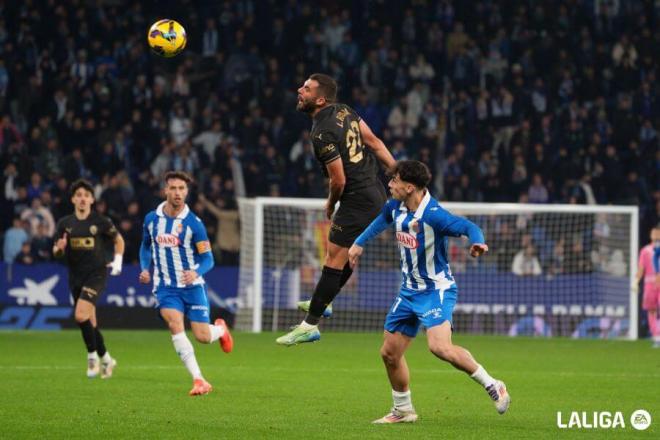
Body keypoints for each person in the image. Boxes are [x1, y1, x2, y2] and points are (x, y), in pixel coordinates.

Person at [347, 160, 510, 423]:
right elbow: (381, 221)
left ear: (410, 187)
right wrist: (358, 243)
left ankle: (493, 384)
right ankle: (403, 410)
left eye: (394, 181)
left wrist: (478, 241)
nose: (389, 184)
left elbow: (467, 226)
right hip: (408, 291)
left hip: (436, 290)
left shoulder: (433, 215)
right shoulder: (395, 207)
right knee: (389, 353)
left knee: (439, 347)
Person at [276, 73, 396, 345]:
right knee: (344, 256)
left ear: (320, 99)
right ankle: (323, 301)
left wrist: (330, 204)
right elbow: (374, 142)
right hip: (374, 190)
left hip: (356, 199)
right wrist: (397, 172)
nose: (299, 90)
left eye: (305, 89)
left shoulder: (321, 132)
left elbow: (338, 179)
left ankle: (310, 325)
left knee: (333, 260)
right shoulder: (345, 110)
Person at [138, 171, 233, 396]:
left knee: (202, 336)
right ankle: (199, 380)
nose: (177, 193)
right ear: (166, 191)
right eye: (173, 188)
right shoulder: (152, 219)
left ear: (187, 192)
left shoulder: (194, 224)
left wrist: (195, 272)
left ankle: (220, 329)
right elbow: (145, 246)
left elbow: (208, 259)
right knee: (175, 325)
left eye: (181, 189)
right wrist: (144, 268)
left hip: (192, 286)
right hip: (165, 287)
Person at [52, 179, 125, 379]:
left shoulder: (100, 222)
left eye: (86, 195)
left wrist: (117, 262)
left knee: (80, 315)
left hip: (97, 274)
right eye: (79, 195)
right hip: (75, 276)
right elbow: (56, 252)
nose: (82, 199)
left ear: (92, 199)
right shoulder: (64, 224)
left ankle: (92, 358)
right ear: (73, 199)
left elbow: (118, 240)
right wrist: (59, 249)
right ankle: (107, 359)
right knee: (89, 321)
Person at [632, 226, 660, 347]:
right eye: (653, 233)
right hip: (650, 283)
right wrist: (636, 281)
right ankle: (657, 336)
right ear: (650, 235)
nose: (655, 235)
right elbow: (641, 268)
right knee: (651, 310)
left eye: (658, 233)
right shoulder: (645, 250)